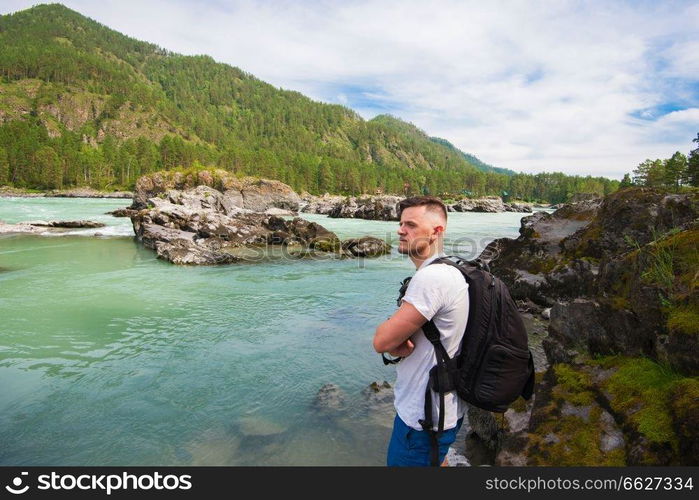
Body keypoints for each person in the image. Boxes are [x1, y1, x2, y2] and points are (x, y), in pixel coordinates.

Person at [373, 196, 469, 466]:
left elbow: (381, 341)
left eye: (411, 225)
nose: (401, 230)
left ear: (437, 231)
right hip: (446, 407)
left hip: (423, 417)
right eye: (401, 223)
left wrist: (392, 337)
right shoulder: (452, 268)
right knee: (438, 460)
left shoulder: (431, 279)